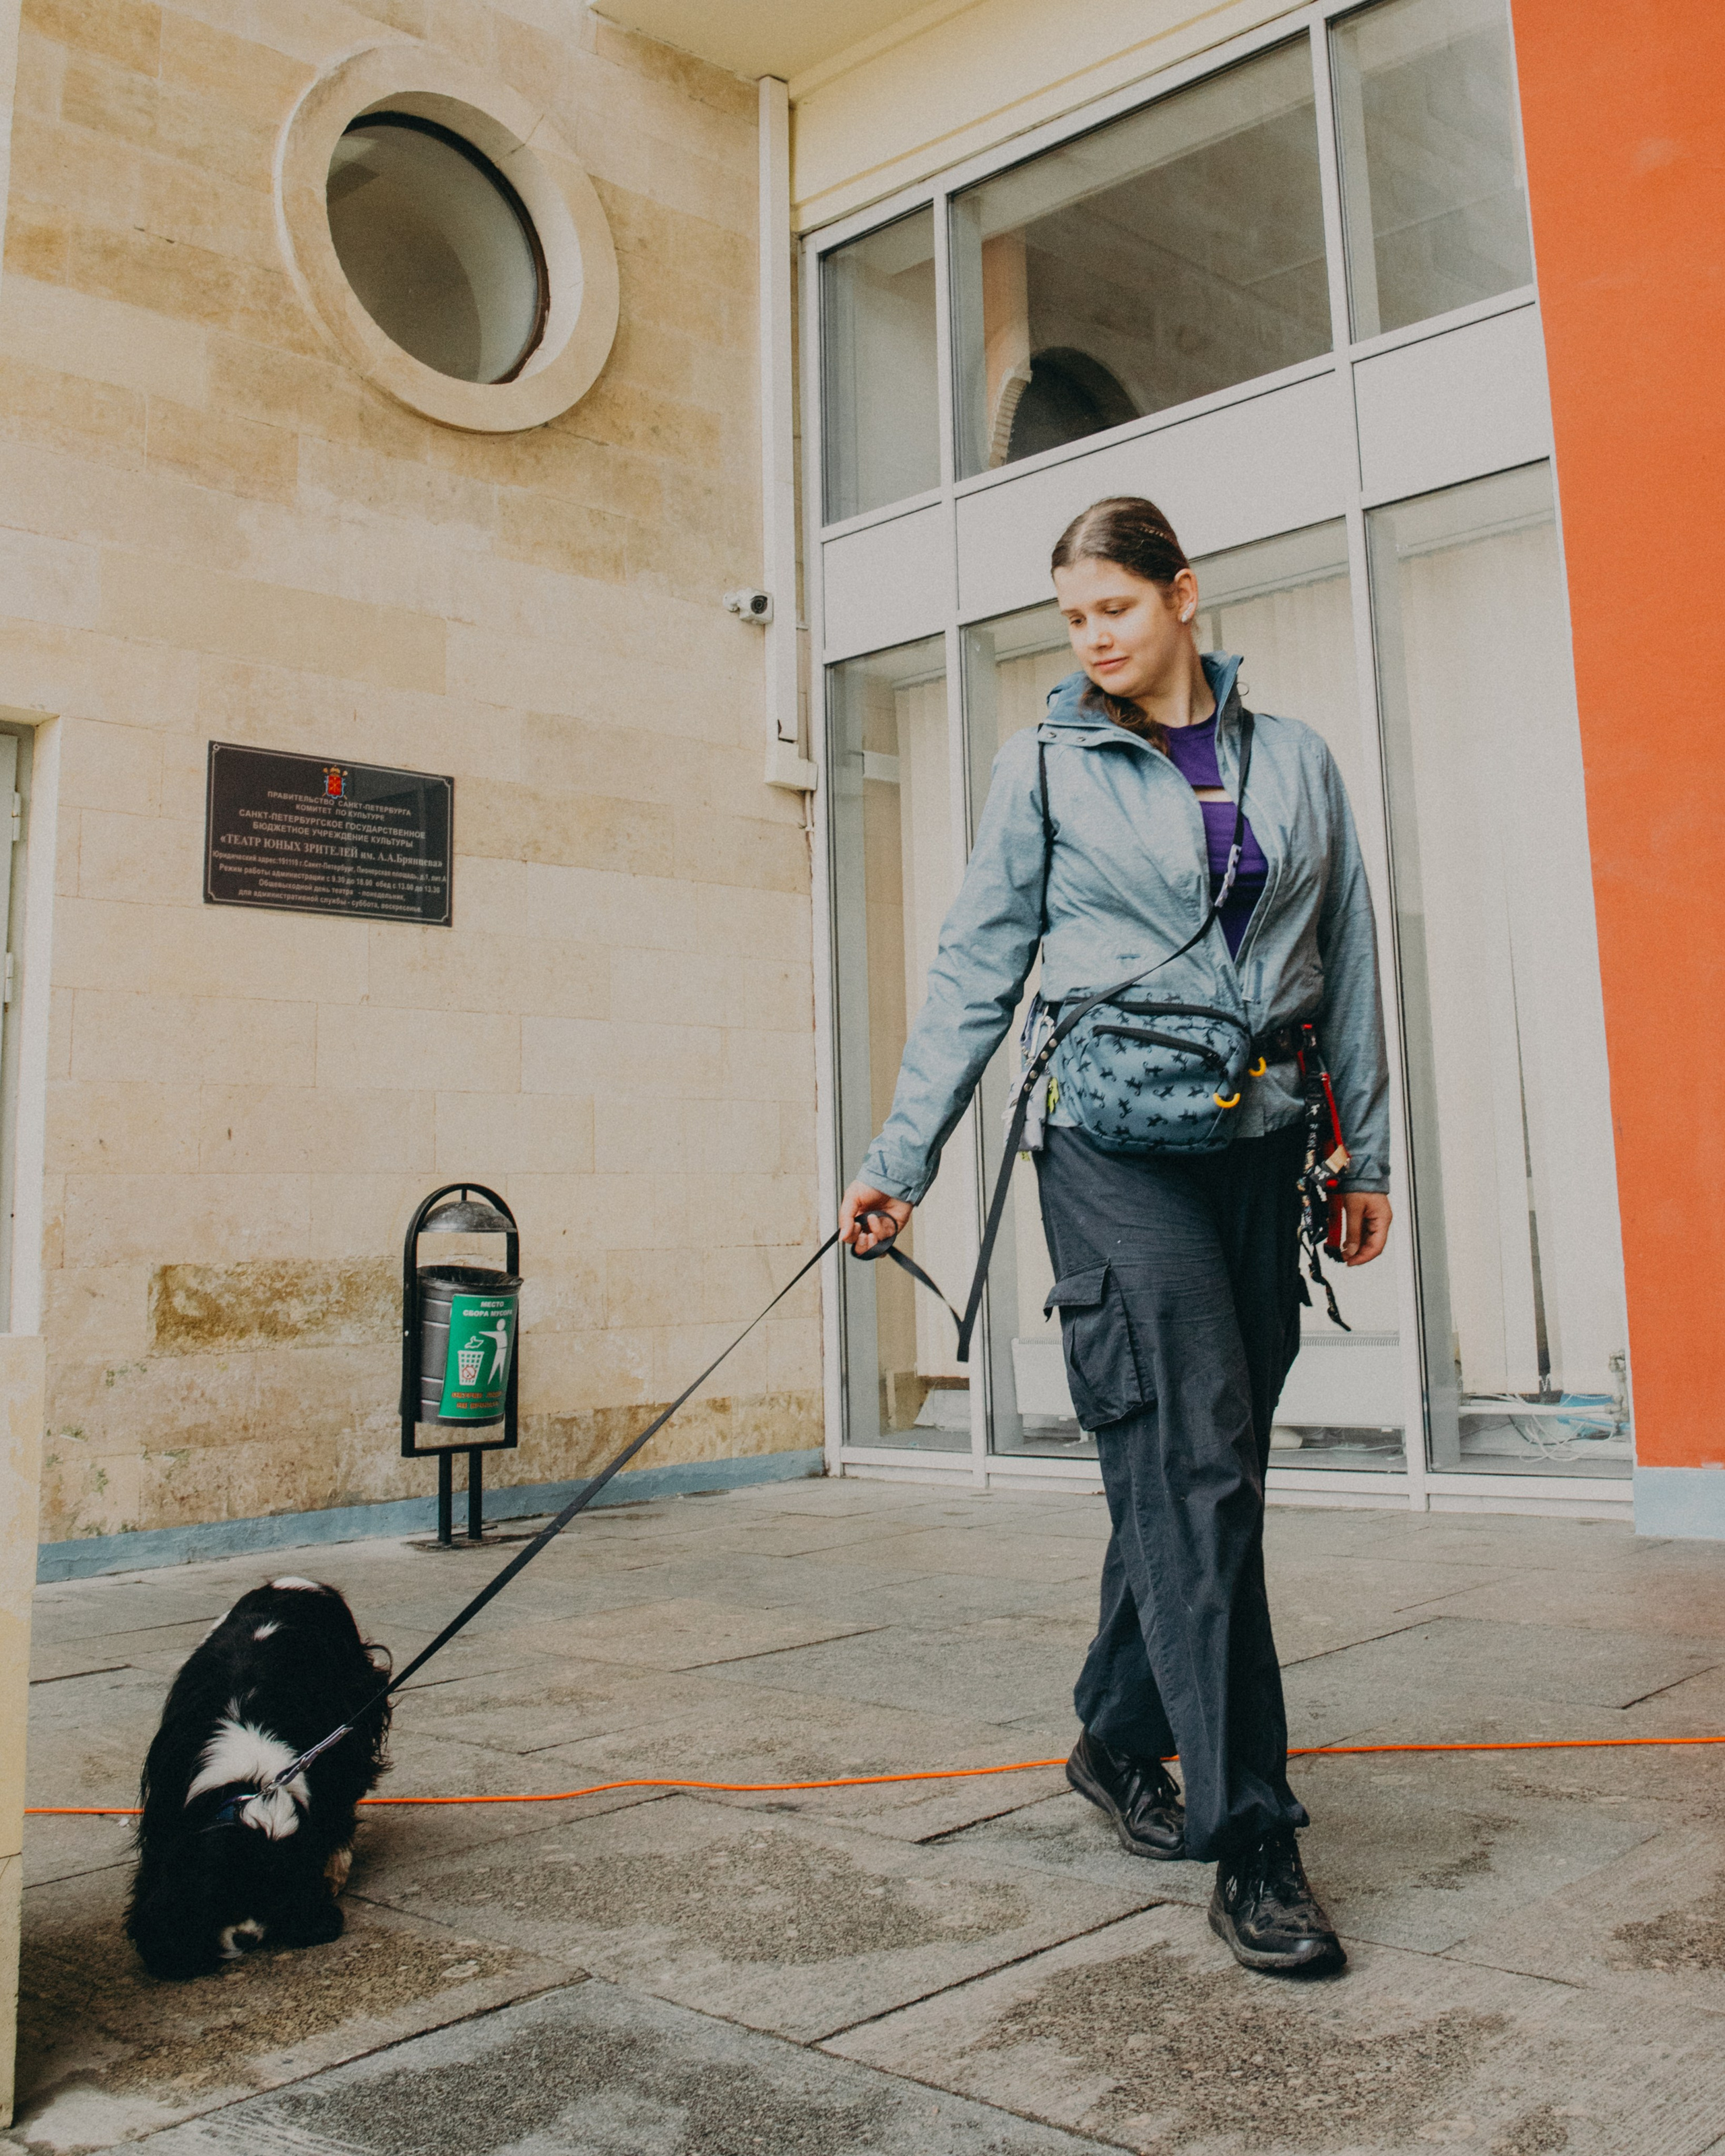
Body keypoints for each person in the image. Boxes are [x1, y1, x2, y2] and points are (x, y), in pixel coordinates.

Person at [839, 495, 1391, 1977]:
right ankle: (1251, 1835)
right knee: (1197, 1451)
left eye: (1114, 610)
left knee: (1197, 1462)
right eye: (1072, 619)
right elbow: (973, 963)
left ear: (1182, 596)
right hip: (1108, 1150)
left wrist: (1363, 1151)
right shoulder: (1042, 767)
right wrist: (905, 1156)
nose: (1090, 641)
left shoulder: (1295, 759)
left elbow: (1345, 960)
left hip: (1259, 1149)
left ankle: (1111, 1730)